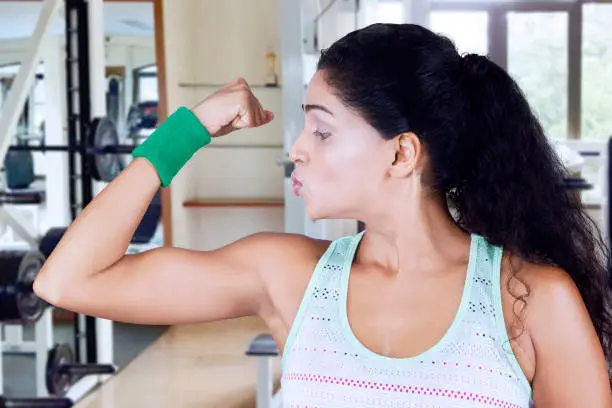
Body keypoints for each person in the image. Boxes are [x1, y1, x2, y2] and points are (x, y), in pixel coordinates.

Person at [34, 23, 611, 407]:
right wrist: (189, 128)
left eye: (322, 129)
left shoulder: (530, 299)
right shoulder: (288, 275)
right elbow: (68, 280)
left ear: (402, 153)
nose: (297, 149)